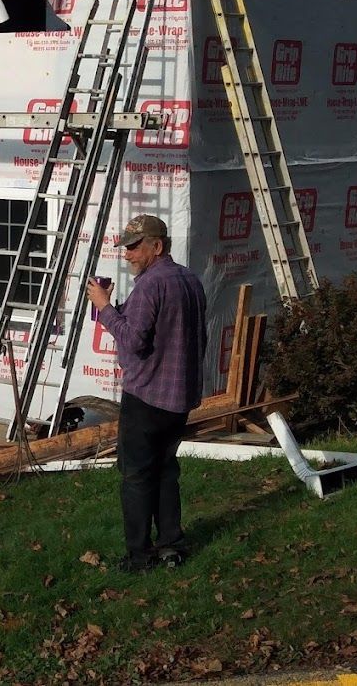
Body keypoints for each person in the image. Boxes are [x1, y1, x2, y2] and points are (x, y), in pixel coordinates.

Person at [86, 214, 207, 573]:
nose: (128, 254)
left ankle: (139, 557)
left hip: (147, 397)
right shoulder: (189, 279)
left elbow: (134, 341)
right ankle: (171, 545)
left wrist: (104, 307)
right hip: (179, 398)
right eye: (126, 247)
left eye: (135, 247)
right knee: (165, 469)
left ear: (157, 246)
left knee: (136, 475)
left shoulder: (151, 285)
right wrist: (120, 309)